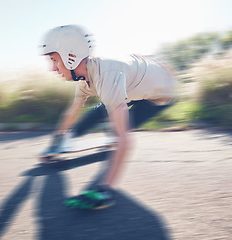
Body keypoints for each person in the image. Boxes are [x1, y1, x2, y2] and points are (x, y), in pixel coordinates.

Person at [40, 25, 177, 210]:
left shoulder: (107, 74)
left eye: (54, 60)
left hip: (159, 97)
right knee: (102, 111)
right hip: (135, 84)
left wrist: (106, 189)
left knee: (117, 129)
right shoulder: (86, 79)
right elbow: (72, 111)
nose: (52, 68)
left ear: (70, 56)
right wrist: (57, 142)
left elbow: (125, 139)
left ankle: (108, 185)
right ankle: (73, 139)